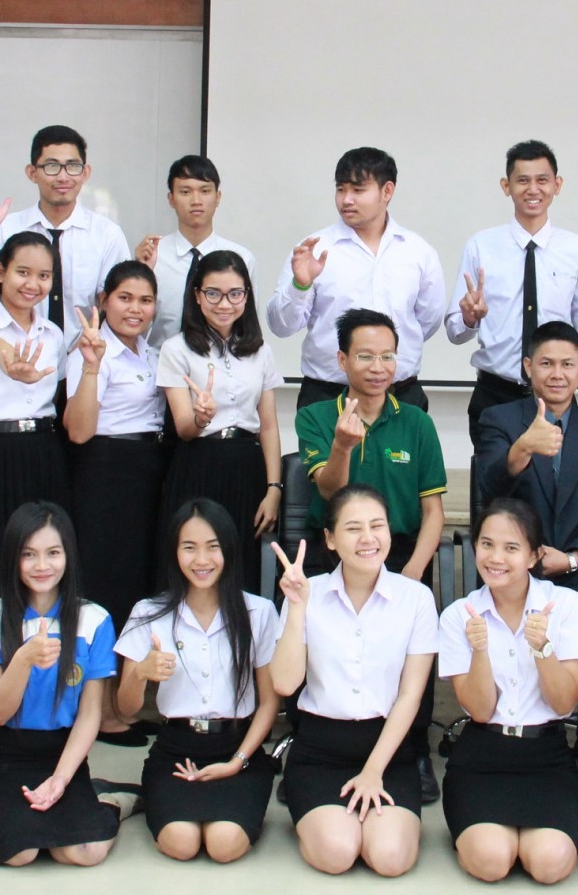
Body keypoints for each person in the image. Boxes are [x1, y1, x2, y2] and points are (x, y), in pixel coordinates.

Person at [473, 320, 578, 792]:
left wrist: (575, 557)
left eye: (568, 364)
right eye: (546, 363)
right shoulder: (501, 419)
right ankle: (514, 727)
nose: (557, 373)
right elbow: (490, 486)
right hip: (521, 558)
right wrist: (523, 448)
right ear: (528, 367)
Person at [271, 486, 438, 877]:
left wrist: (374, 771)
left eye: (377, 526)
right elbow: (284, 684)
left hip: (388, 753)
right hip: (319, 752)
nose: (368, 538)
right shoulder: (307, 592)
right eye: (353, 528)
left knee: (390, 858)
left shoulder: (416, 598)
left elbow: (410, 697)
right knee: (337, 853)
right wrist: (296, 608)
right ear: (330, 539)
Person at [115, 499, 282, 863]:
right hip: (175, 752)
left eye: (212, 547)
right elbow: (125, 709)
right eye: (189, 547)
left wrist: (237, 761)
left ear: (229, 550)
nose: (201, 560)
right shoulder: (149, 612)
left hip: (238, 749)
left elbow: (270, 702)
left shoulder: (258, 612)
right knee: (181, 843)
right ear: (174, 552)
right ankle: (133, 797)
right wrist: (141, 673)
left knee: (225, 845)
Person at [437, 498, 578, 885]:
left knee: (550, 865)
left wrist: (543, 649)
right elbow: (480, 710)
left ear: (535, 555)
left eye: (511, 548)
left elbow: (564, 703)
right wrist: (480, 650)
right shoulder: (459, 615)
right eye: (486, 544)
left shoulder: (566, 605)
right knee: (490, 862)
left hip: (546, 757)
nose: (496, 558)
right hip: (482, 757)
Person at [446, 140, 578, 495]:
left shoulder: (576, 250)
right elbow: (455, 331)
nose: (532, 189)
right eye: (522, 180)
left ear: (557, 185)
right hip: (497, 393)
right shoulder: (481, 246)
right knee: (496, 491)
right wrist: (470, 318)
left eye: (542, 180)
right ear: (506, 186)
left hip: (555, 393)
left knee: (554, 490)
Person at [0, 502, 126, 867]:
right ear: (13, 558)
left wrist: (61, 778)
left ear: (68, 555)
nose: (42, 565)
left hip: (63, 754)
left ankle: (114, 801)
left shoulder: (94, 620)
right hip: (4, 756)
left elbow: (90, 715)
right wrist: (23, 659)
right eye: (29, 554)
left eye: (53, 553)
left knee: (85, 853)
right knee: (19, 852)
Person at [266, 146, 446, 413]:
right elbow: (281, 326)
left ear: (387, 191)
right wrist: (300, 285)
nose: (346, 200)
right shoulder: (314, 248)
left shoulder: (417, 251)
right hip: (327, 396)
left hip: (400, 395)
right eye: (341, 189)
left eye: (358, 190)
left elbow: (427, 322)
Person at [0, 230, 69, 601]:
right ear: (1, 272)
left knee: (45, 550)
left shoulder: (53, 335)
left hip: (44, 451)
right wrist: (9, 357)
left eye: (43, 276)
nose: (33, 284)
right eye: (23, 272)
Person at [157, 250, 283, 589]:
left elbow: (269, 426)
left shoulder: (260, 351)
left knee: (241, 567)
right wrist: (201, 418)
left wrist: (274, 488)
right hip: (199, 464)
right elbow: (184, 429)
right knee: (197, 563)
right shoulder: (176, 349)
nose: (224, 304)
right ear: (197, 296)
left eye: (235, 294)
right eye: (213, 293)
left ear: (247, 296)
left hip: (248, 468)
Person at [65, 261, 169, 657]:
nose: (135, 309)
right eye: (125, 298)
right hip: (106, 469)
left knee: (139, 572)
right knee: (106, 572)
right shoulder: (92, 351)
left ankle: (130, 676)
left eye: (146, 300)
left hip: (147, 468)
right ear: (104, 300)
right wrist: (92, 367)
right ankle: (98, 676)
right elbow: (78, 431)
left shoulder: (150, 352)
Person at [295, 308, 447, 578]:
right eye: (365, 356)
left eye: (387, 357)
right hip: (333, 552)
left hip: (400, 554)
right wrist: (342, 447)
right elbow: (330, 491)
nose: (378, 368)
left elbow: (433, 511)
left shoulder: (418, 422)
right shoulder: (314, 417)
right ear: (342, 360)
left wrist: (414, 570)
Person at [0, 124, 130, 364]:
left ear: (85, 172)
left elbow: (115, 306)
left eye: (72, 166)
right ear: (32, 173)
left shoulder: (107, 234)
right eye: (51, 166)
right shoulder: (6, 228)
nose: (63, 176)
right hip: (16, 360)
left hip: (85, 361)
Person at [138, 154, 255, 347]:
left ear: (218, 197)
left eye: (205, 191)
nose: (196, 200)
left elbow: (247, 325)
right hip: (160, 361)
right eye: (185, 192)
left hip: (222, 362)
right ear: (171, 199)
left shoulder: (241, 258)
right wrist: (141, 270)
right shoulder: (153, 256)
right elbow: (135, 323)